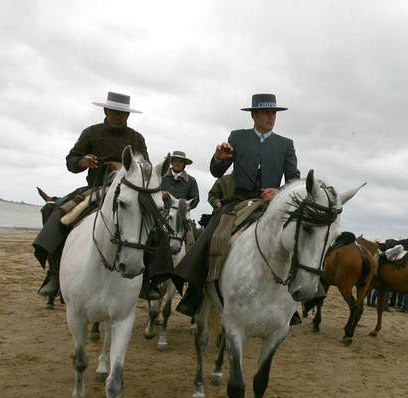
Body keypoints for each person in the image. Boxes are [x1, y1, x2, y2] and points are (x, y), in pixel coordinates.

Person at [174, 93, 300, 316]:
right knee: (212, 234)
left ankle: (297, 297)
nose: (272, 117)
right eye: (266, 112)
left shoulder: (286, 144)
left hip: (270, 203)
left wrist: (279, 191)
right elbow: (217, 172)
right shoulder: (237, 137)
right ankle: (195, 291)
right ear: (254, 115)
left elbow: (293, 178)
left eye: (274, 113)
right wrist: (219, 158)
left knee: (295, 238)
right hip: (238, 200)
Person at [33, 91, 148, 298]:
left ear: (127, 116)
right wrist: (82, 161)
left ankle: (150, 281)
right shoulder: (91, 133)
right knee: (53, 211)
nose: (117, 116)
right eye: (113, 112)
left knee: (154, 222)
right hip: (94, 189)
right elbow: (71, 160)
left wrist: (124, 166)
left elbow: (145, 167)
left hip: (127, 191)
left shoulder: (136, 138)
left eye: (121, 113)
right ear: (105, 110)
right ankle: (55, 272)